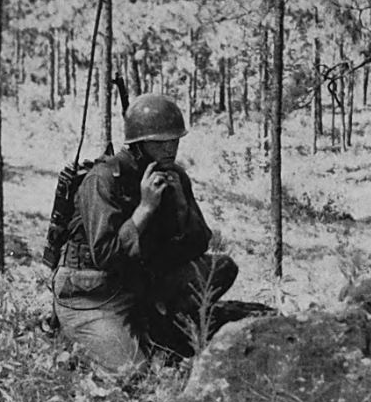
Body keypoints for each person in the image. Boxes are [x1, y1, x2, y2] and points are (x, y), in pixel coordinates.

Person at [51, 94, 238, 373]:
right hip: (94, 293)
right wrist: (146, 208)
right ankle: (82, 331)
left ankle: (158, 324)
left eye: (174, 140)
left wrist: (182, 206)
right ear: (139, 143)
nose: (170, 148)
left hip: (140, 281)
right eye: (160, 142)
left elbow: (199, 244)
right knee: (133, 371)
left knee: (221, 267)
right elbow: (105, 256)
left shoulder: (172, 175)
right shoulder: (103, 180)